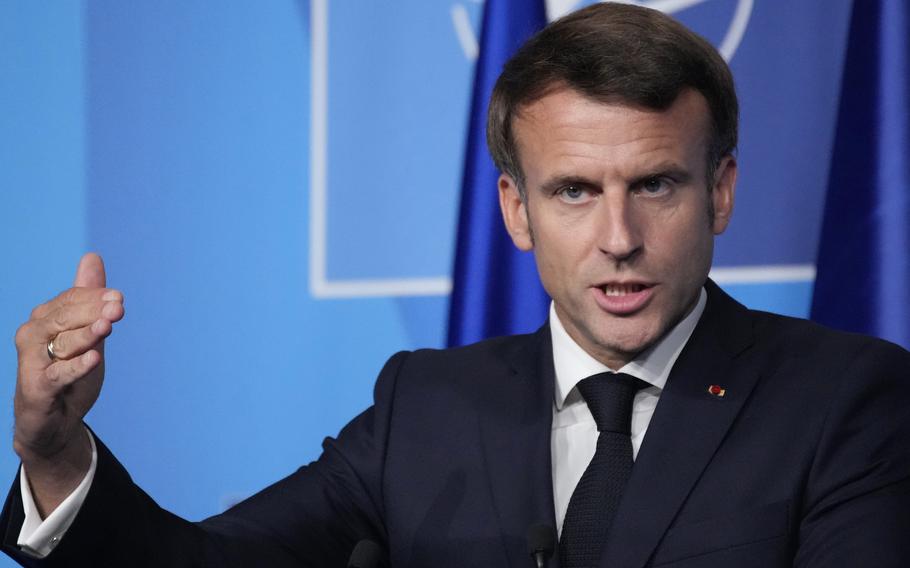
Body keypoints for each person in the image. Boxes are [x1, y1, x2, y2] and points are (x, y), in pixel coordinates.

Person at [4, 3, 910, 567]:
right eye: (574, 191)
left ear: (720, 190)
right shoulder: (424, 409)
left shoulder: (845, 399)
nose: (619, 239)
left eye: (656, 186)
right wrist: (53, 454)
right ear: (516, 211)